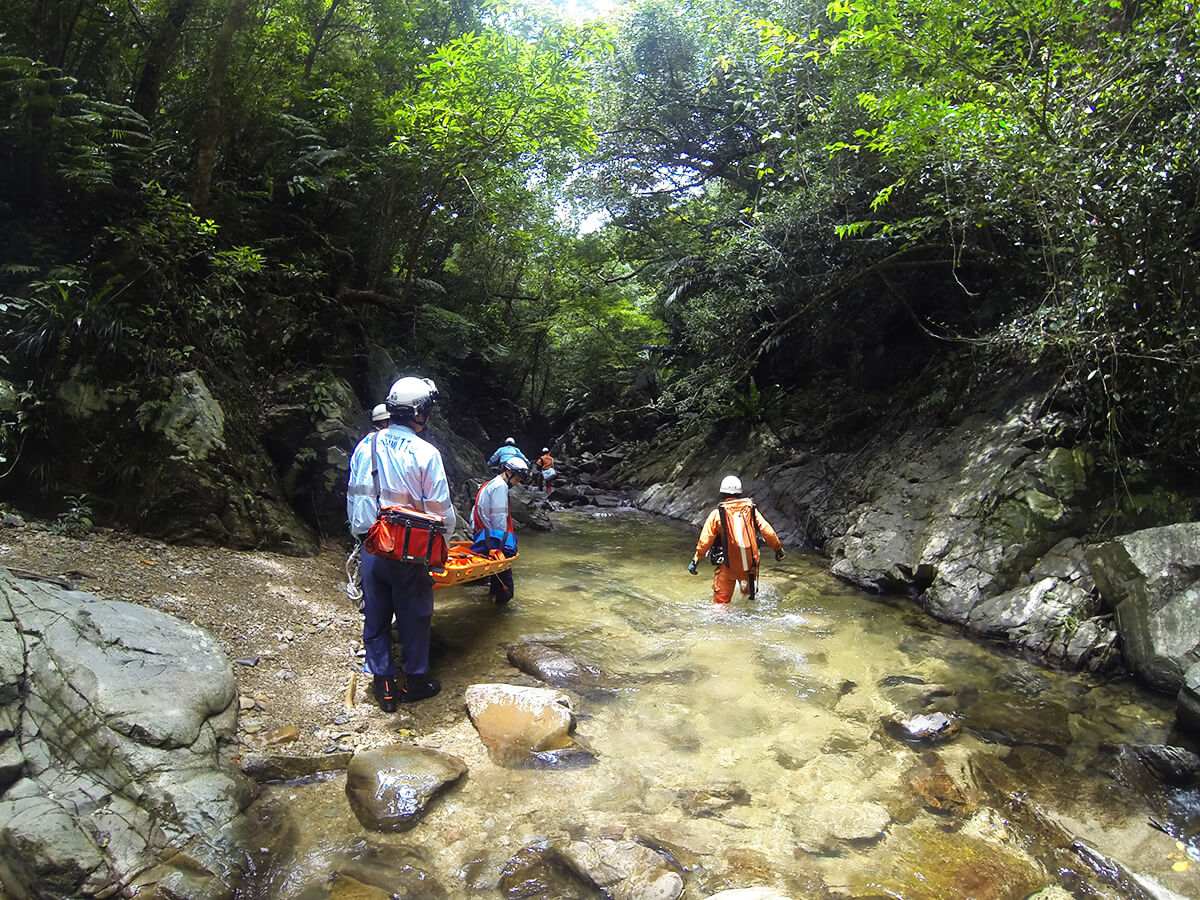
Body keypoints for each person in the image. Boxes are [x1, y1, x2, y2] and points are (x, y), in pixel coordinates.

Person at [347, 376, 457, 710]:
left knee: (376, 615)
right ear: (419, 412)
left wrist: (364, 537)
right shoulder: (427, 453)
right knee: (415, 615)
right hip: (412, 550)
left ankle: (385, 686)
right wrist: (444, 544)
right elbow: (441, 513)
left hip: (373, 544)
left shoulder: (367, 446)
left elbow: (357, 498)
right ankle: (416, 682)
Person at [688, 475, 785, 604]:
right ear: (740, 493)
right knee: (748, 598)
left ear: (722, 493)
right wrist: (778, 549)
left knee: (720, 604)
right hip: (750, 565)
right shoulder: (751, 511)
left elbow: (705, 541)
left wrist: (696, 560)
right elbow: (767, 531)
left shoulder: (717, 514)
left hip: (728, 566)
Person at [471, 456, 528, 604]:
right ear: (508, 472)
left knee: (495, 580)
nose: (517, 483)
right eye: (517, 478)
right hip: (495, 542)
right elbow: (499, 518)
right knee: (507, 590)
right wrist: (504, 548)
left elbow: (474, 512)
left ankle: (489, 608)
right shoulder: (500, 487)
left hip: (485, 538)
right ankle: (500, 616)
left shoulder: (489, 484)